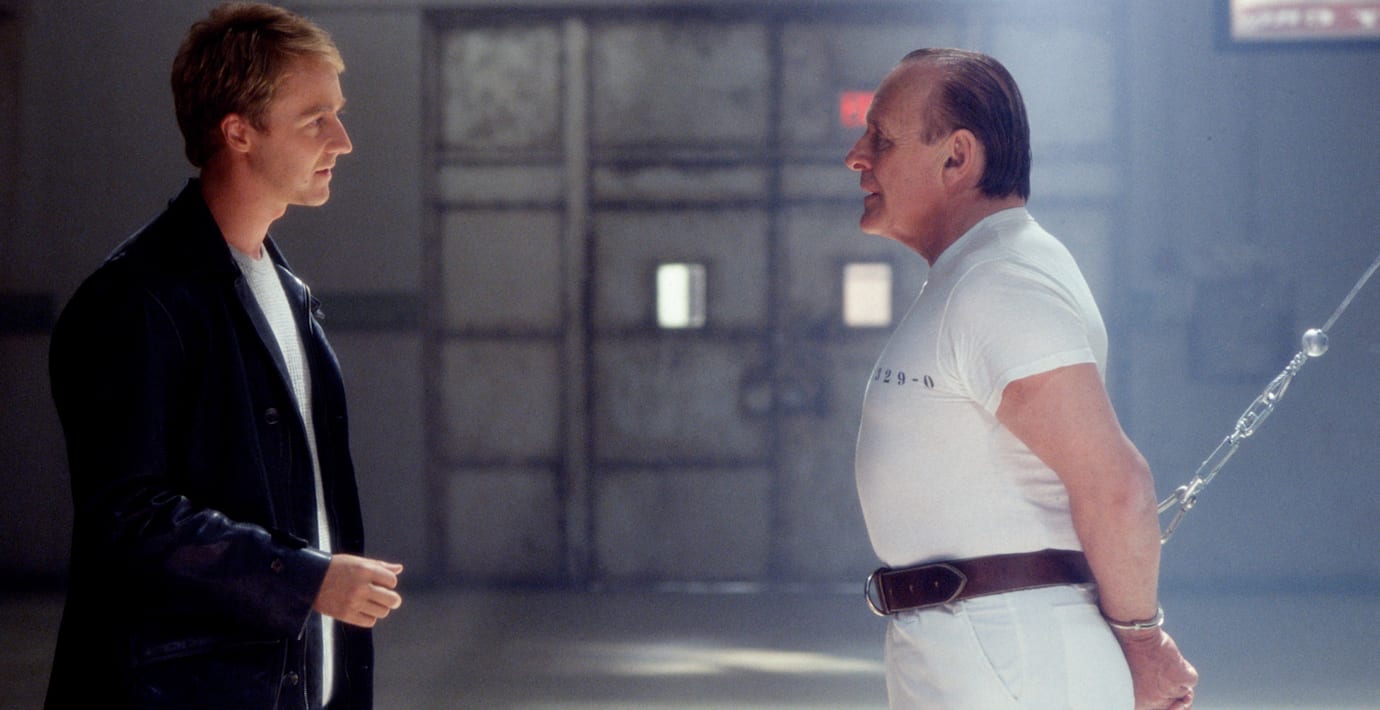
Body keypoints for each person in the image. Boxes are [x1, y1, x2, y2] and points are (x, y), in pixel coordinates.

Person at [45, 3, 402, 708]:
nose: (343, 141)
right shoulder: (135, 300)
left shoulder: (287, 293)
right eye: (316, 119)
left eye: (337, 114)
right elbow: (128, 517)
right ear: (238, 132)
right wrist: (305, 578)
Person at [846, 49, 1198, 709]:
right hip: (975, 643)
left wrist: (1143, 643)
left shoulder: (1000, 281)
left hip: (1012, 654)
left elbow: (1117, 486)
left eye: (881, 139)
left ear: (957, 157)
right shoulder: (977, 273)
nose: (856, 157)